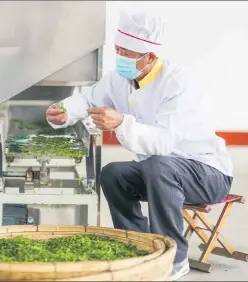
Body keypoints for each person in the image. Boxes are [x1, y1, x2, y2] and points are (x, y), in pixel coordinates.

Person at [46, 10, 233, 281]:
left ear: (151, 57)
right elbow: (88, 99)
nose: (120, 57)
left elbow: (163, 142)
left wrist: (120, 122)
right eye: (118, 49)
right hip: (161, 172)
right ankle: (139, 246)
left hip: (207, 173)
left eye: (127, 53)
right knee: (113, 174)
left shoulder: (178, 83)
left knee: (158, 166)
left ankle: (174, 259)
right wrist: (65, 110)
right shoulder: (118, 79)